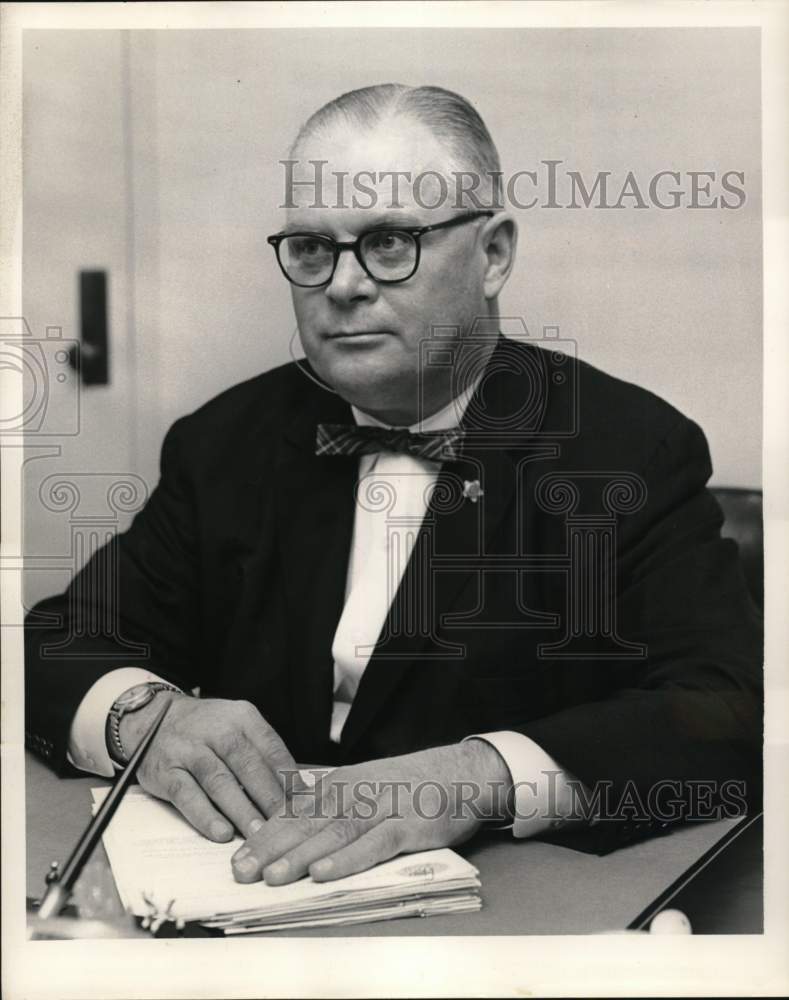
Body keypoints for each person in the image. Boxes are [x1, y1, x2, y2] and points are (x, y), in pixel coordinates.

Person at [25, 84, 762, 888]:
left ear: (492, 255)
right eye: (312, 248)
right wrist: (147, 719)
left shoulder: (630, 449)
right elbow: (56, 642)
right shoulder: (223, 442)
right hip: (249, 897)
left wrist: (483, 775)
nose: (343, 285)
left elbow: (725, 710)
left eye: (388, 243)